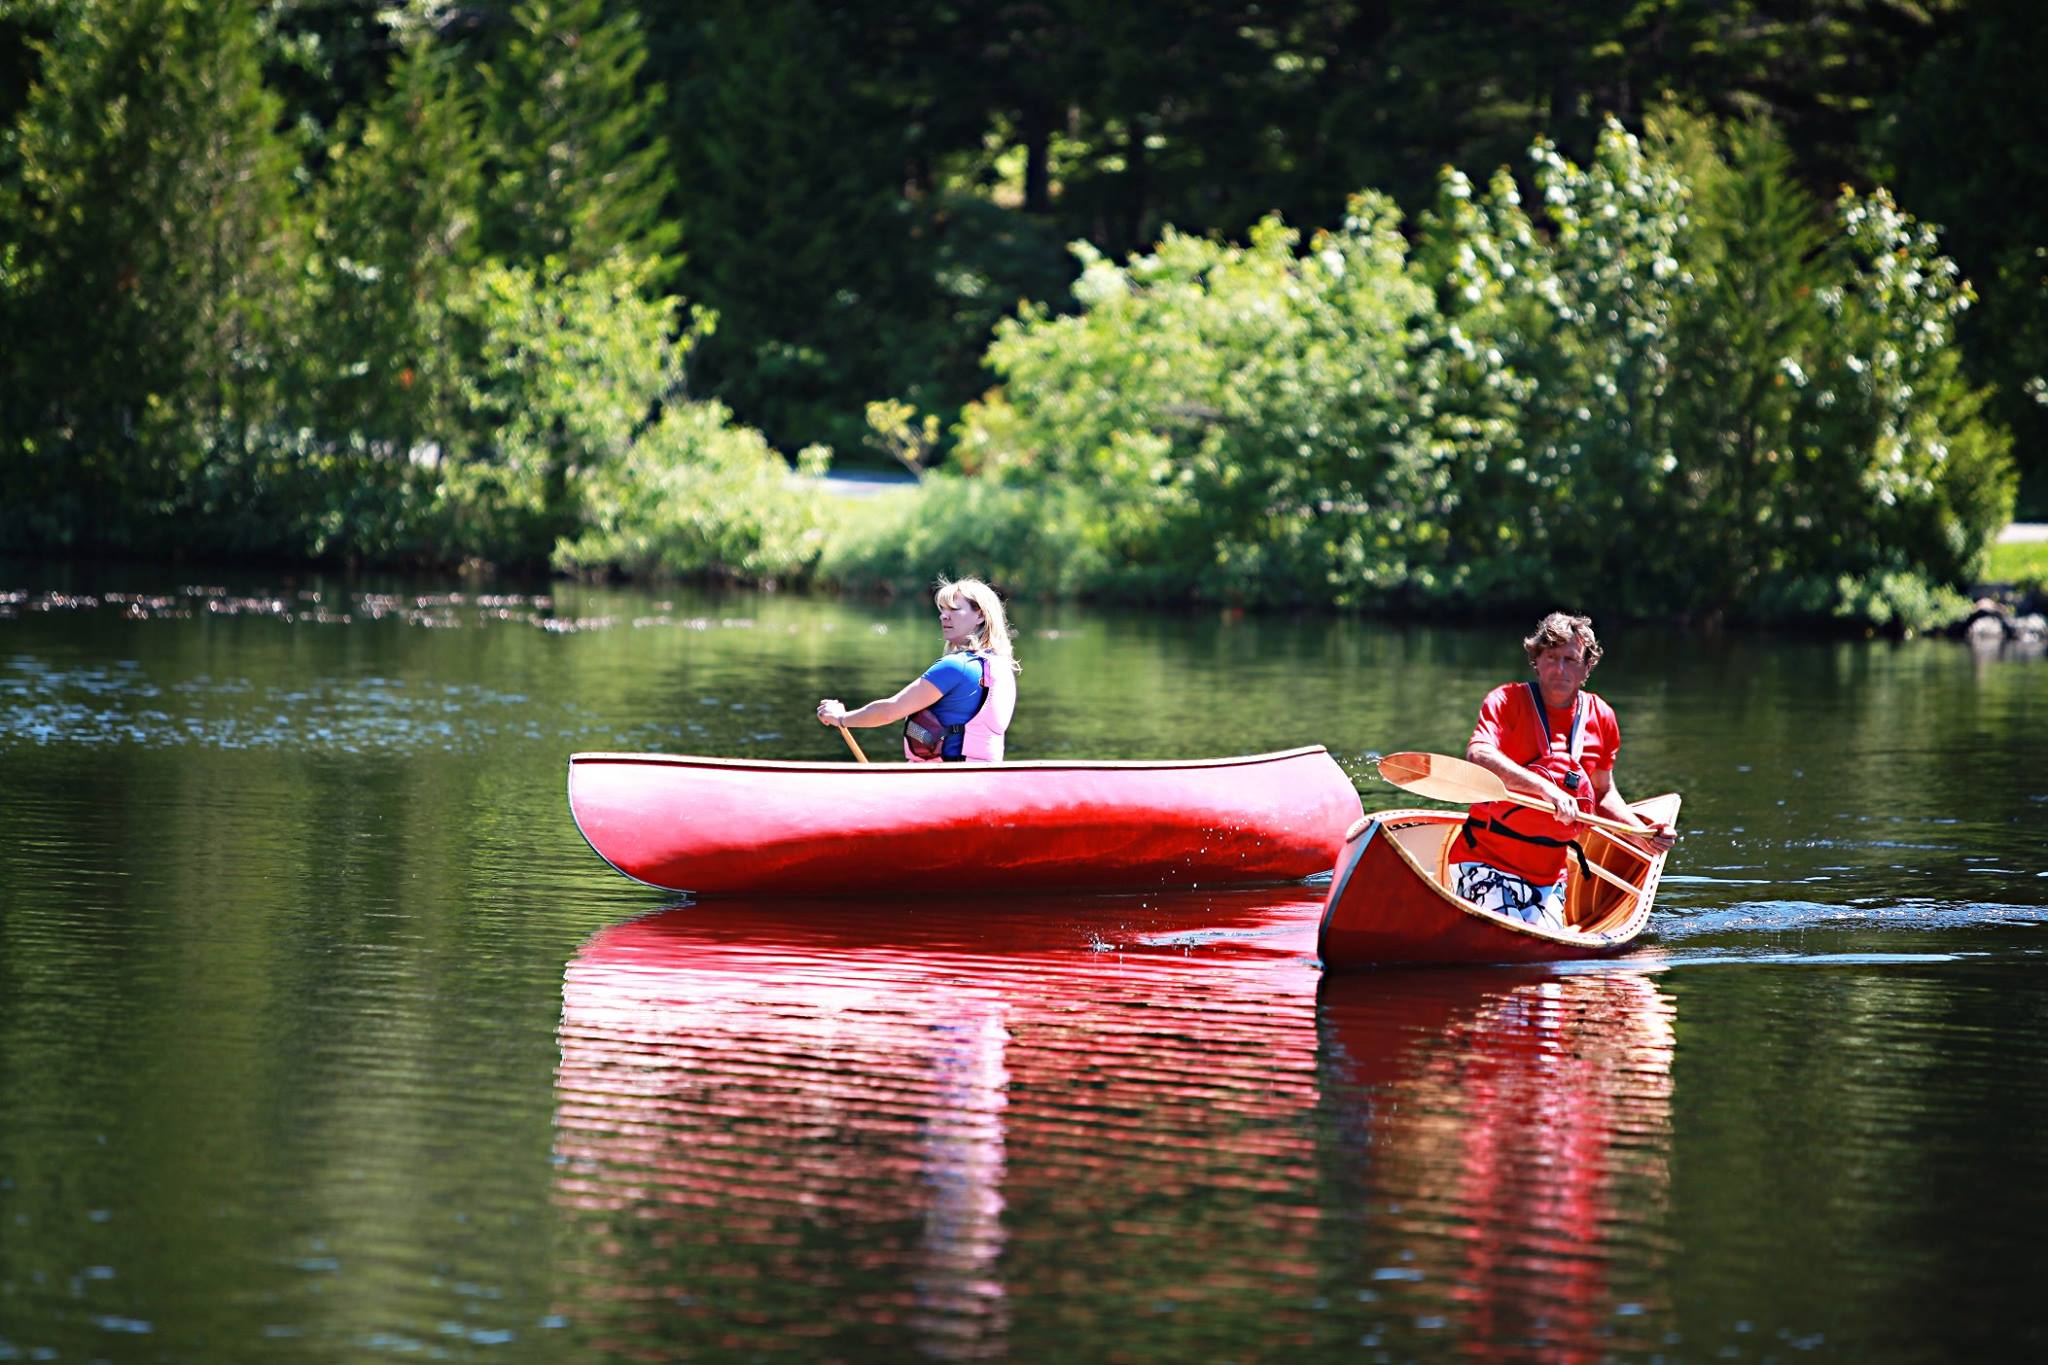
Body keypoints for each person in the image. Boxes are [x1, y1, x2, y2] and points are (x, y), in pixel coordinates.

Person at [1452, 611, 1675, 927]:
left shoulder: (1602, 717)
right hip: (1485, 863)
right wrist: (1545, 789)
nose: (1559, 669)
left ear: (1586, 667)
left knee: (1539, 951)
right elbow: (1478, 754)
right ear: (1536, 660)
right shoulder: (1506, 701)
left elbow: (1601, 793)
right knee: (1517, 939)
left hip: (1548, 879)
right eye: (1551, 657)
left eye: (1570, 659)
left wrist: (1643, 836)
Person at [817, 576, 1018, 762]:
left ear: (980, 615)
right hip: (983, 774)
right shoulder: (1001, 667)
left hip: (947, 776)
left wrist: (840, 718)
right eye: (943, 610)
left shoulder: (956, 667)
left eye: (954, 609)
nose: (943, 616)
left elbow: (889, 711)